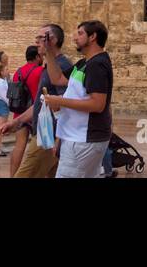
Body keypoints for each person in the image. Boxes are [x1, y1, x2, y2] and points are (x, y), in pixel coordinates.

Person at [44, 19, 114, 179]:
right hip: (78, 137)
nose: (75, 37)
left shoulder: (97, 65)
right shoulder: (85, 63)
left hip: (84, 139)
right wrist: (48, 52)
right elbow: (58, 79)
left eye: (80, 33)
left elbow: (97, 104)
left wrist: (59, 101)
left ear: (93, 37)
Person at [2, 23, 71, 178]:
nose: (37, 42)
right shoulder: (49, 67)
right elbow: (41, 103)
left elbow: (64, 104)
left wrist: (58, 139)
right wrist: (17, 121)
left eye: (41, 38)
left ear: (52, 40)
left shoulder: (62, 66)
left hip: (47, 136)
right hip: (44, 134)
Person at [6, 45, 43, 176]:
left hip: (19, 112)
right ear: (37, 57)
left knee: (19, 145)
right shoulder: (40, 71)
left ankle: (13, 175)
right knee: (38, 147)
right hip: (35, 112)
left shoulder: (18, 72)